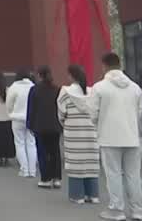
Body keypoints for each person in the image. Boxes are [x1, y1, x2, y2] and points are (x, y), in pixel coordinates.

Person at [91, 52, 142, 221]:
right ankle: (137, 210)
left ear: (104, 65)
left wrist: (100, 124)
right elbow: (139, 112)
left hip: (109, 136)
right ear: (120, 64)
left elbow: (93, 113)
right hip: (132, 136)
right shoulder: (135, 88)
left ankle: (117, 209)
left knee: (113, 174)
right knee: (133, 175)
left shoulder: (99, 87)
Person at [57, 64, 100, 205]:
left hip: (73, 133)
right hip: (91, 132)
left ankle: (77, 196)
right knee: (90, 163)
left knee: (75, 163)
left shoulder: (65, 92)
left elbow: (61, 113)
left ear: (71, 76)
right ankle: (93, 195)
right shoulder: (91, 92)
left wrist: (65, 124)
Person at [28, 66, 62, 189]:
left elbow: (31, 109)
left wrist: (30, 125)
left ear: (39, 75)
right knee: (55, 152)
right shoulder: (57, 89)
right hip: (55, 125)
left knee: (42, 152)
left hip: (40, 125)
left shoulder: (34, 90)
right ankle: (56, 178)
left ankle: (45, 179)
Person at [5, 70, 36, 178]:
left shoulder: (13, 87)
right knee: (31, 143)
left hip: (17, 118)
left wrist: (11, 113)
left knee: (19, 143)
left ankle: (24, 169)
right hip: (31, 119)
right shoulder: (33, 86)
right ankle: (32, 170)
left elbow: (9, 104)